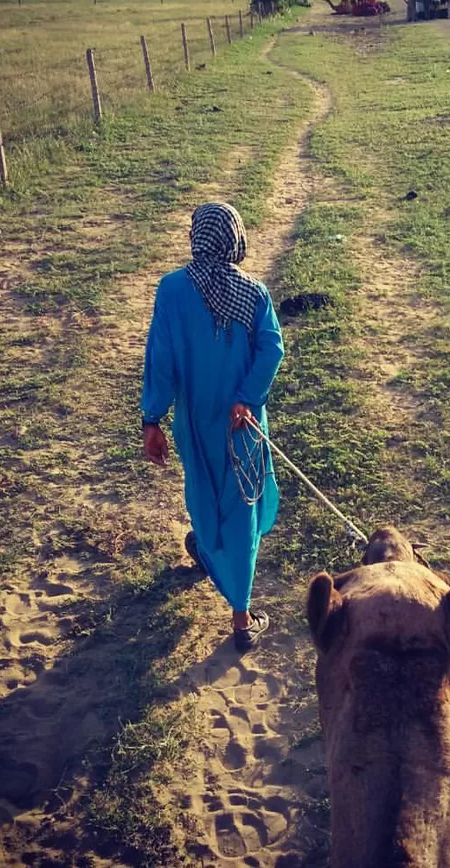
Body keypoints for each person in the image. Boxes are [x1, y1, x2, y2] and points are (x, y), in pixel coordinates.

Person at [141, 202, 284, 652]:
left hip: (195, 422)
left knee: (203, 490)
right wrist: (246, 397)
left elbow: (160, 360)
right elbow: (271, 351)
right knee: (241, 503)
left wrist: (152, 418)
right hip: (241, 421)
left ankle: (211, 554)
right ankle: (241, 618)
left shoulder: (172, 290)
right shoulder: (254, 293)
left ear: (196, 237)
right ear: (236, 239)